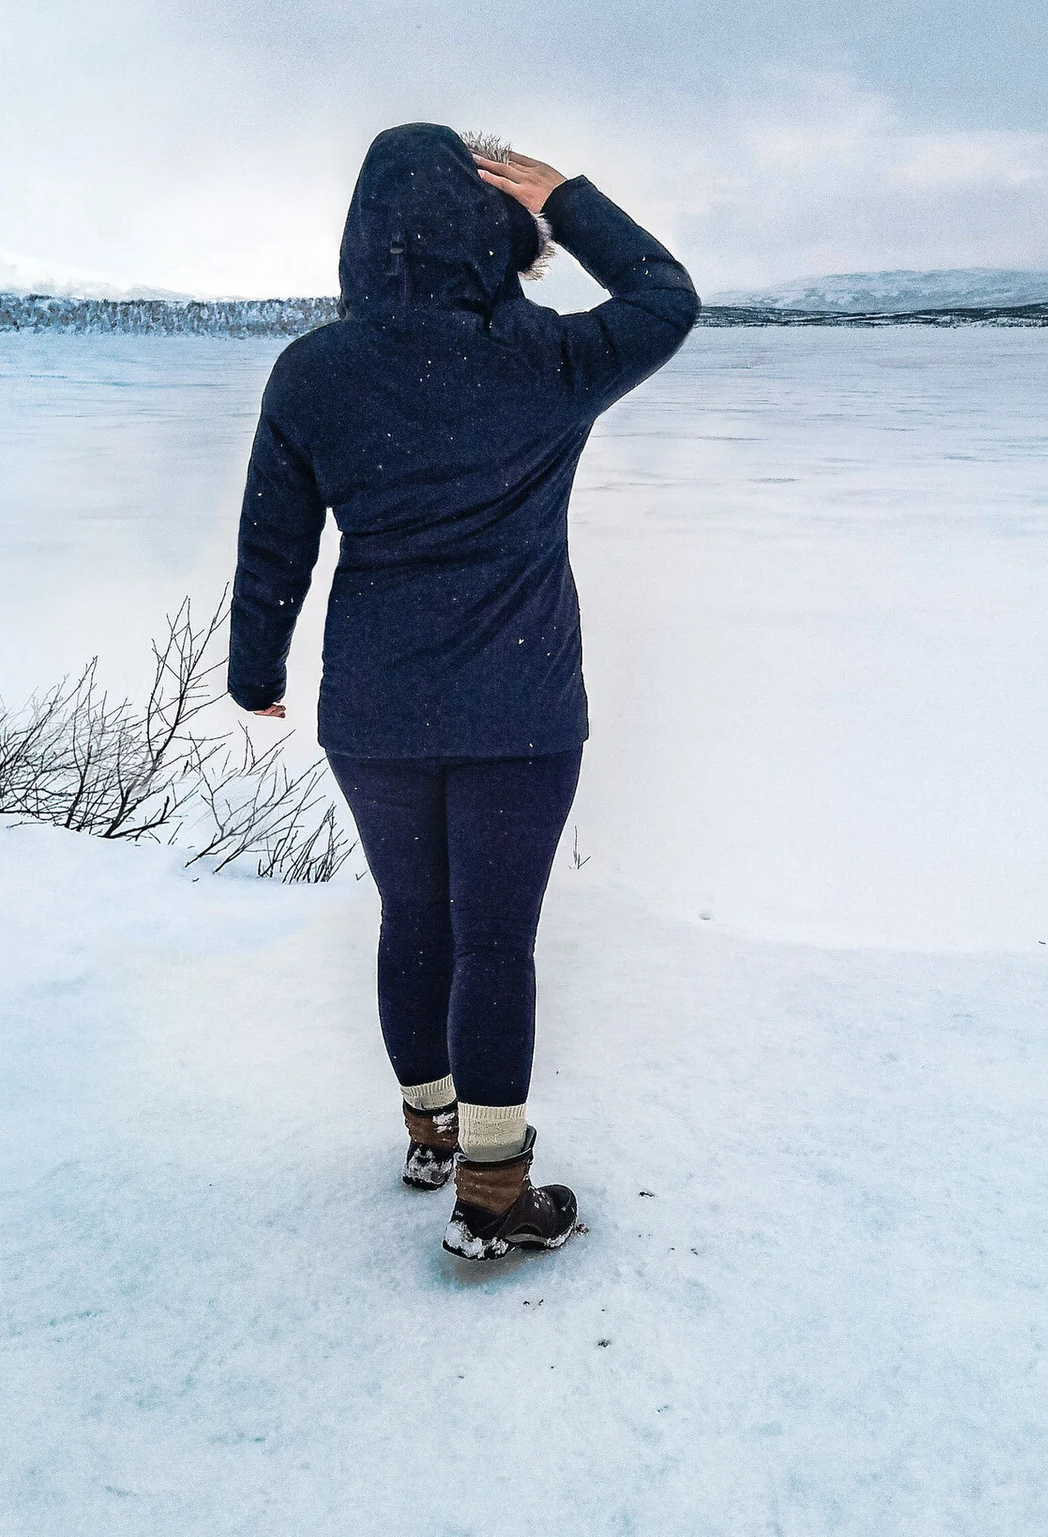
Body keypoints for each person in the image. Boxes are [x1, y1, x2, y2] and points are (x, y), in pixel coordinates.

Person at [227, 123, 698, 1259]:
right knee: (495, 941)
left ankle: (430, 1130)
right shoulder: (545, 361)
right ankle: (494, 1192)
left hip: (376, 709)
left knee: (414, 917)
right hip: (521, 707)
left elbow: (272, 540)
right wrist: (568, 196)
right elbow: (665, 296)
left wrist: (257, 671)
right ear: (495, 226)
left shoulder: (315, 370)